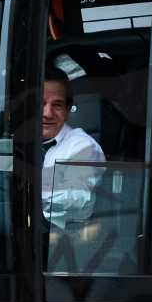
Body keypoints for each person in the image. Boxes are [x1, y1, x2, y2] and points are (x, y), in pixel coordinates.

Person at [41, 68, 104, 226]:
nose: (47, 113)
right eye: (40, 104)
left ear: (68, 110)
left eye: (57, 105)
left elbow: (78, 197)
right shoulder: (18, 140)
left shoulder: (84, 147)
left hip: (59, 237)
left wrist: (27, 197)